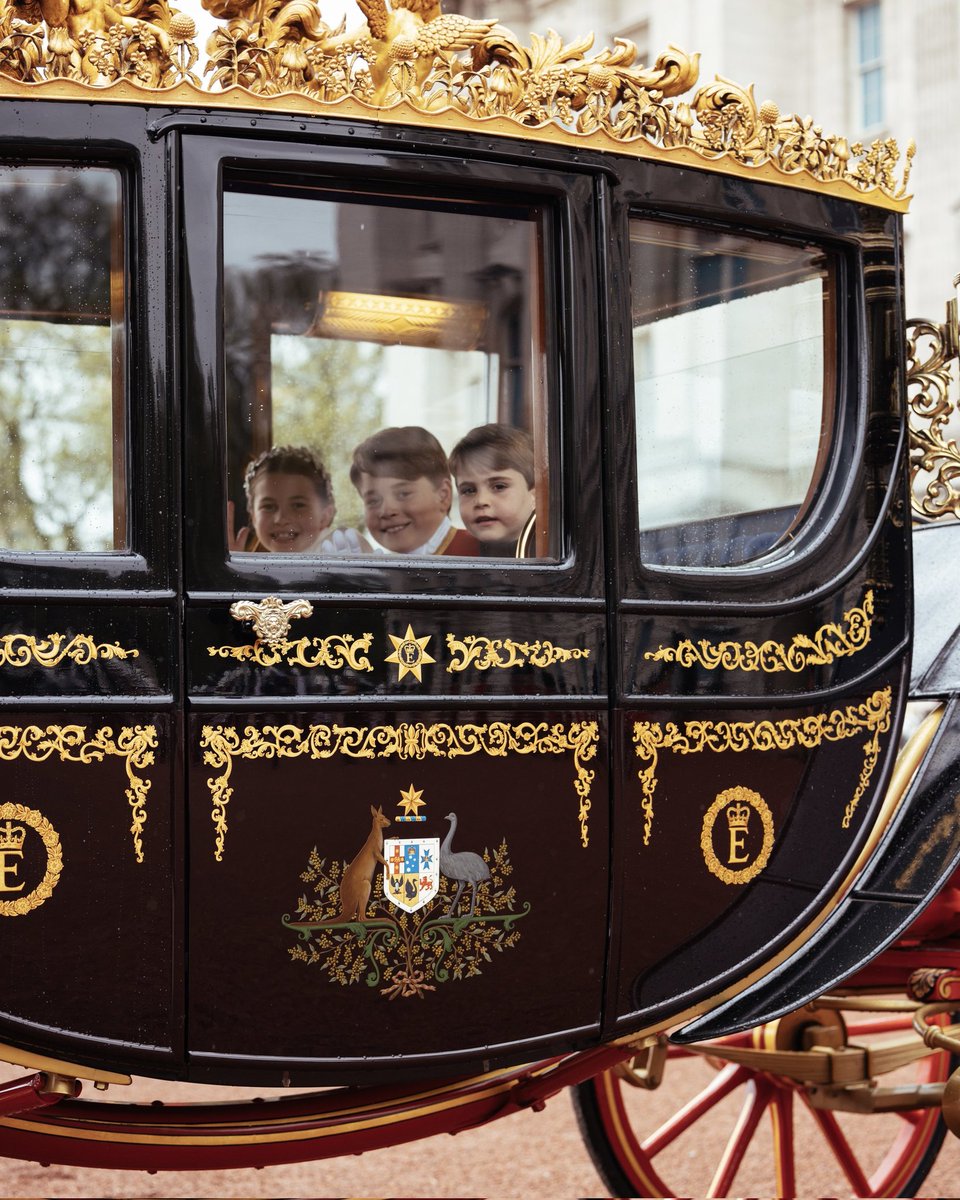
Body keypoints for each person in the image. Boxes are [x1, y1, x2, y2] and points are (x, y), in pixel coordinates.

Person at [349, 426, 479, 556]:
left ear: (443, 495)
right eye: (373, 501)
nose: (387, 511)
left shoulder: (480, 552)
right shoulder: (388, 570)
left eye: (403, 494)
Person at [229, 444, 342, 553]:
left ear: (325, 516)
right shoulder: (254, 566)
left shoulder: (338, 548)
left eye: (298, 505)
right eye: (268, 507)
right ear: (253, 517)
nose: (281, 519)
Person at [449, 424, 536, 557]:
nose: (481, 501)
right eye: (468, 490)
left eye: (499, 487)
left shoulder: (556, 560)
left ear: (535, 496)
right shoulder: (455, 557)